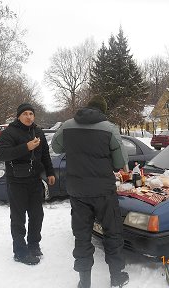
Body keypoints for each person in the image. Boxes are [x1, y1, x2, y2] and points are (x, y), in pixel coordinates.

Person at [51, 96, 130, 288]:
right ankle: (116, 277)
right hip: (104, 191)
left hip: (78, 191)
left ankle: (84, 281)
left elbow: (56, 146)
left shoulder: (68, 125)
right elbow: (120, 163)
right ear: (102, 110)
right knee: (112, 233)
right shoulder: (109, 128)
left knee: (82, 235)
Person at [0, 103, 56, 265]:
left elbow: (45, 154)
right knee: (18, 217)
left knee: (37, 215)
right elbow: (2, 154)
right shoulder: (9, 132)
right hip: (16, 182)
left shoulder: (38, 131)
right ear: (19, 116)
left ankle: (34, 244)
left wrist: (50, 172)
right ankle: (20, 251)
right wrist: (26, 147)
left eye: (31, 113)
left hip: (35, 180)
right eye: (25, 114)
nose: (29, 116)